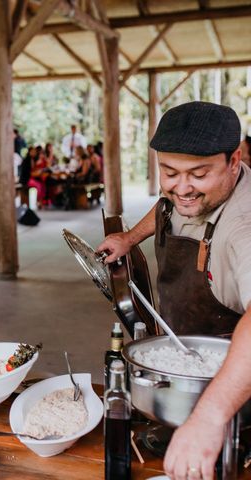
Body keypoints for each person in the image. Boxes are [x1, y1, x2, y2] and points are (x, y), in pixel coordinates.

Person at [97, 101, 251, 480]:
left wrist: (211, 417)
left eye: (198, 174)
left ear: (234, 160)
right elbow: (168, 205)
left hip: (234, 387)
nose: (182, 188)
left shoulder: (244, 225)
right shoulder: (186, 192)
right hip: (185, 355)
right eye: (168, 171)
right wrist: (129, 238)